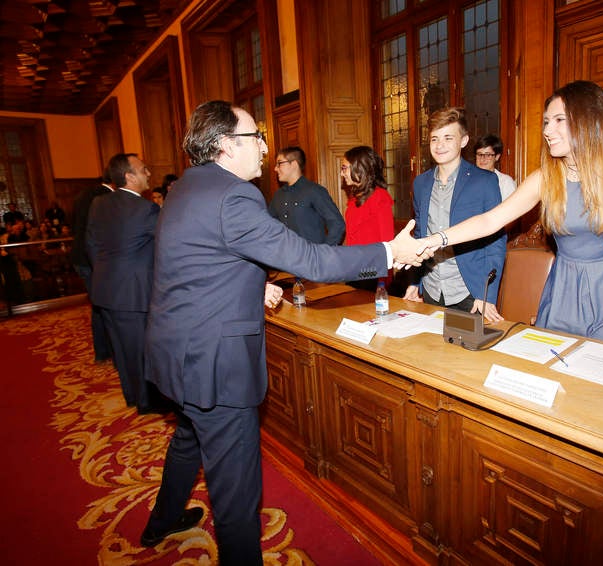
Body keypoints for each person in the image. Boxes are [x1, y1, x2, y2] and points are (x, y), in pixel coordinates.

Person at [140, 100, 430, 564]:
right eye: (256, 137)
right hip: (215, 363)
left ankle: (163, 520)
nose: (264, 146)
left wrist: (250, 289)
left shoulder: (186, 188)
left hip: (176, 351)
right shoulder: (234, 195)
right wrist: (388, 252)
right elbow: (311, 259)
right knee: (235, 493)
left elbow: (195, 263)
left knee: (188, 437)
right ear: (224, 145)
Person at [415, 81, 603, 356]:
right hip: (565, 290)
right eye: (546, 122)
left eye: (558, 120)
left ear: (588, 119)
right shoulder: (547, 176)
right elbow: (489, 221)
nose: (547, 130)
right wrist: (435, 240)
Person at [403, 107, 506, 323]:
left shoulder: (484, 181)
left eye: (448, 138)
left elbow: (495, 242)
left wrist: (485, 292)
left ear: (464, 141)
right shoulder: (421, 183)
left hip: (470, 291)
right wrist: (415, 282)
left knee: (468, 355)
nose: (439, 145)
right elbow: (420, 235)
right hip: (431, 287)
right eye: (434, 139)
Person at [86, 153, 163, 411]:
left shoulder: (99, 203)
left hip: (105, 289)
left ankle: (132, 396)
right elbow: (168, 245)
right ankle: (146, 402)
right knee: (140, 349)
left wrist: (108, 274)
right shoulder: (145, 209)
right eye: (143, 169)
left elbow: (92, 245)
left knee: (121, 349)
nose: (148, 174)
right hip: (133, 293)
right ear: (129, 177)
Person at [70, 170, 114, 363]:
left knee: (98, 305)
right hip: (94, 259)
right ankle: (109, 351)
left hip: (80, 257)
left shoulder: (83, 195)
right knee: (107, 306)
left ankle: (102, 351)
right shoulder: (107, 198)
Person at [341, 145, 394, 290]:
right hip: (354, 270)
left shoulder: (380, 197)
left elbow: (387, 243)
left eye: (344, 168)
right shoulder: (354, 199)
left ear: (359, 168)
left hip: (373, 274)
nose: (342, 173)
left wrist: (383, 280)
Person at [269, 146, 345, 244]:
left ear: (294, 164)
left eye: (279, 163)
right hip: (285, 257)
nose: (275, 168)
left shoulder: (314, 191)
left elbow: (337, 223)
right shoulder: (278, 195)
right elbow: (269, 224)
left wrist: (324, 253)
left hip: (312, 257)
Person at [474, 134, 516, 201]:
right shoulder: (468, 180)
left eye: (488, 155)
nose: (482, 159)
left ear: (497, 157)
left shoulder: (505, 182)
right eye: (479, 154)